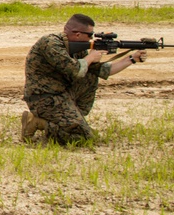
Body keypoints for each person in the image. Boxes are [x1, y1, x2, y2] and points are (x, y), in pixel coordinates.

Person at [22, 13, 146, 144]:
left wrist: (132, 59)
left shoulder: (77, 47)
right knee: (82, 138)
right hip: (43, 98)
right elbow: (75, 70)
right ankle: (37, 122)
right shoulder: (50, 43)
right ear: (77, 34)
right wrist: (91, 57)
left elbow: (103, 71)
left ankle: (74, 122)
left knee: (91, 75)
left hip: (61, 94)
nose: (91, 39)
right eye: (90, 35)